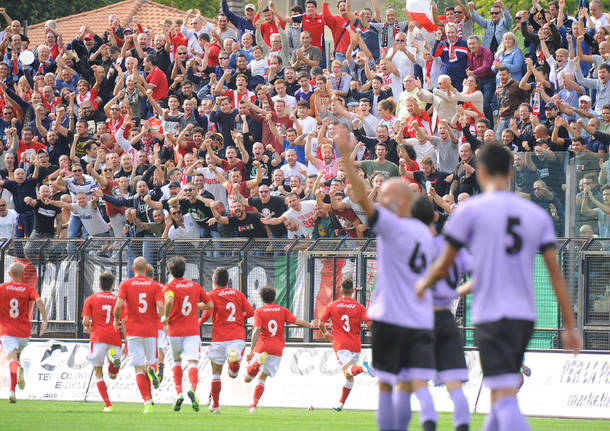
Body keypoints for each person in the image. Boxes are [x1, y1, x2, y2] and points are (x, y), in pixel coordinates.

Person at [416, 144, 581, 430]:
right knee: (501, 393)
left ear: (480, 173)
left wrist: (421, 286)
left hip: (490, 313)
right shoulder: (535, 214)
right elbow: (556, 274)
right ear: (510, 171)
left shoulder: (469, 212)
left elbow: (444, 265)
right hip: (523, 315)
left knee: (502, 396)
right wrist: (569, 325)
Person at [336, 121, 437, 431]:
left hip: (391, 311)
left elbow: (364, 202)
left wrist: (347, 161)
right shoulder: (429, 236)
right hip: (417, 313)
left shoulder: (393, 226)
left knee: (388, 380)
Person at [411, 197, 472, 431]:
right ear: (436, 217)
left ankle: (428, 426)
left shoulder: (409, 249)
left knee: (418, 381)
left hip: (419, 319)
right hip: (445, 317)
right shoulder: (451, 249)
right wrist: (458, 290)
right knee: (454, 385)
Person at [244, 285, 313, 412]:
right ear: (274, 297)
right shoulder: (282, 310)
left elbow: (257, 329)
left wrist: (251, 349)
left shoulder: (259, 311)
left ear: (261, 298)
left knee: (247, 378)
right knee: (262, 377)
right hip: (277, 350)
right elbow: (297, 321)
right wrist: (310, 325)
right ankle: (253, 405)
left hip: (263, 347)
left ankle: (257, 363)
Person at [112, 257, 164, 414]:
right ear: (146, 269)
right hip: (151, 331)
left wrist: (116, 321)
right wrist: (162, 319)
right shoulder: (155, 286)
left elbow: (118, 306)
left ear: (133, 268)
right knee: (152, 362)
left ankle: (147, 402)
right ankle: (152, 370)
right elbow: (161, 307)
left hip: (134, 332)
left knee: (138, 368)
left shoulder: (126, 284)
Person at [161, 256, 212, 412]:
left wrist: (166, 316)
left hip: (174, 330)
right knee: (192, 362)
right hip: (191, 330)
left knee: (176, 361)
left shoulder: (169, 287)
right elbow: (210, 305)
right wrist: (194, 305)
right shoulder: (195, 286)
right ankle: (192, 389)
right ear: (184, 270)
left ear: (170, 271)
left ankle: (178, 393)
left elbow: (169, 301)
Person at [202, 267, 254, 413]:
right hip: (237, 337)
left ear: (214, 281)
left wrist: (198, 323)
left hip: (219, 338)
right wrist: (238, 319)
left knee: (216, 374)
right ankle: (234, 363)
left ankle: (216, 406)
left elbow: (206, 316)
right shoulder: (238, 294)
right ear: (229, 281)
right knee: (233, 375)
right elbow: (250, 312)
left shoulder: (211, 294)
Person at [317, 278, 373, 411]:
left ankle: (363, 368)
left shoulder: (332, 305)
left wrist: (326, 334)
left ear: (341, 290)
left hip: (341, 344)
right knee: (349, 376)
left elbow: (320, 323)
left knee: (349, 371)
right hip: (355, 344)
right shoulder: (359, 307)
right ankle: (340, 404)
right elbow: (369, 323)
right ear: (353, 291)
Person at [0, 262, 48, 404]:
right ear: (22, 274)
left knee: (12, 361)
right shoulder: (28, 289)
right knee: (16, 358)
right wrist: (45, 319)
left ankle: (17, 372)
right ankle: (12, 392)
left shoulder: (2, 288)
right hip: (24, 334)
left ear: (9, 274)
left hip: (7, 331)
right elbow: (39, 300)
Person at [81, 272, 123, 412]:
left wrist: (88, 327)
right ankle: (112, 356)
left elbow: (86, 321)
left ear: (99, 285)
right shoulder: (118, 300)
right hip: (114, 336)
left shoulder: (91, 299)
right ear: (112, 286)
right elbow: (123, 320)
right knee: (113, 375)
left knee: (98, 371)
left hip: (98, 337)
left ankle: (108, 404)